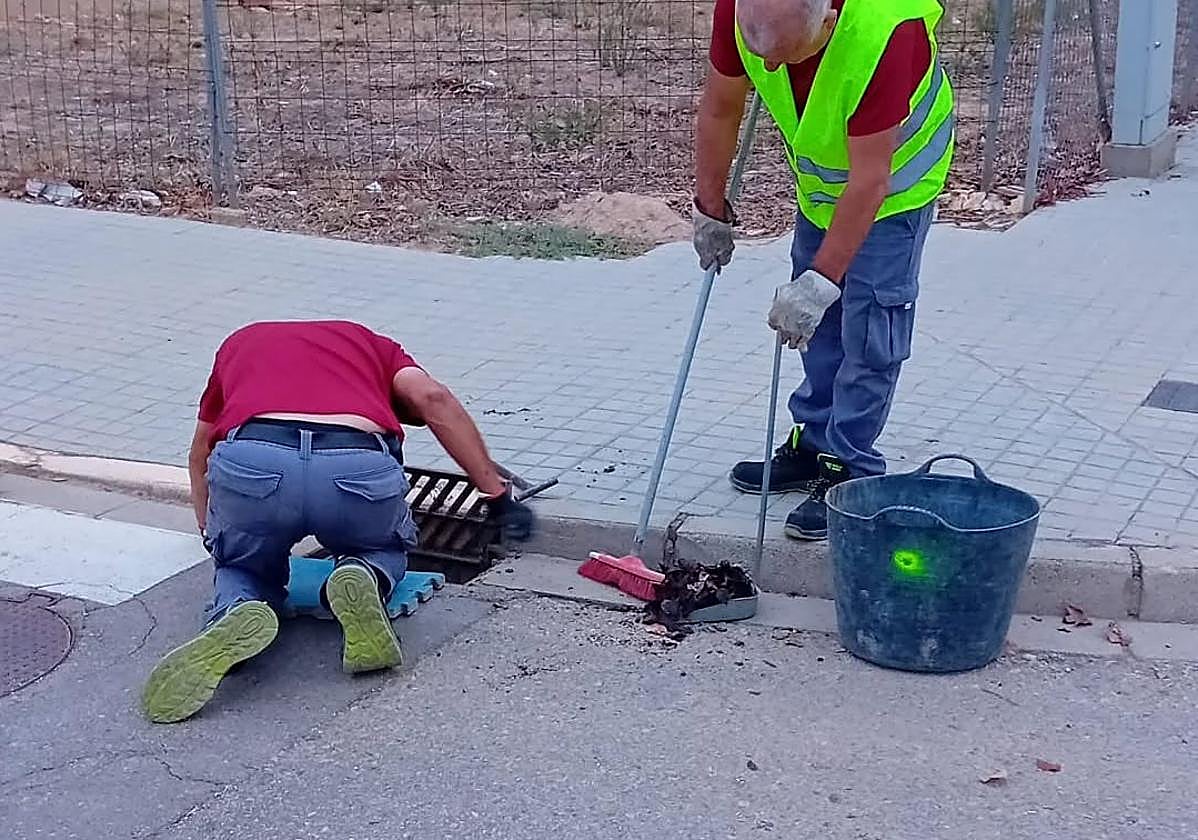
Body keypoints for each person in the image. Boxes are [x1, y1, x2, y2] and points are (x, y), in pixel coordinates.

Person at [142, 320, 534, 724]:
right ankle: (362, 572)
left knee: (242, 565)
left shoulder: (241, 341)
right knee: (381, 548)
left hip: (255, 462)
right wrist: (495, 491)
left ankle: (237, 610)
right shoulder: (380, 348)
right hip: (354, 467)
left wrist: (214, 534)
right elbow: (431, 396)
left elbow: (201, 450)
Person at [692, 0, 953, 540]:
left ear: (828, 23)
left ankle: (849, 469)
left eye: (782, 56)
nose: (766, 69)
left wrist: (821, 281)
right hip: (824, 190)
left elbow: (871, 181)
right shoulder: (745, 10)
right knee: (820, 330)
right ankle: (814, 443)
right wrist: (709, 207)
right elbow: (720, 107)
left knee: (867, 332)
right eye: (759, 52)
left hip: (895, 185)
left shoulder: (886, 33)